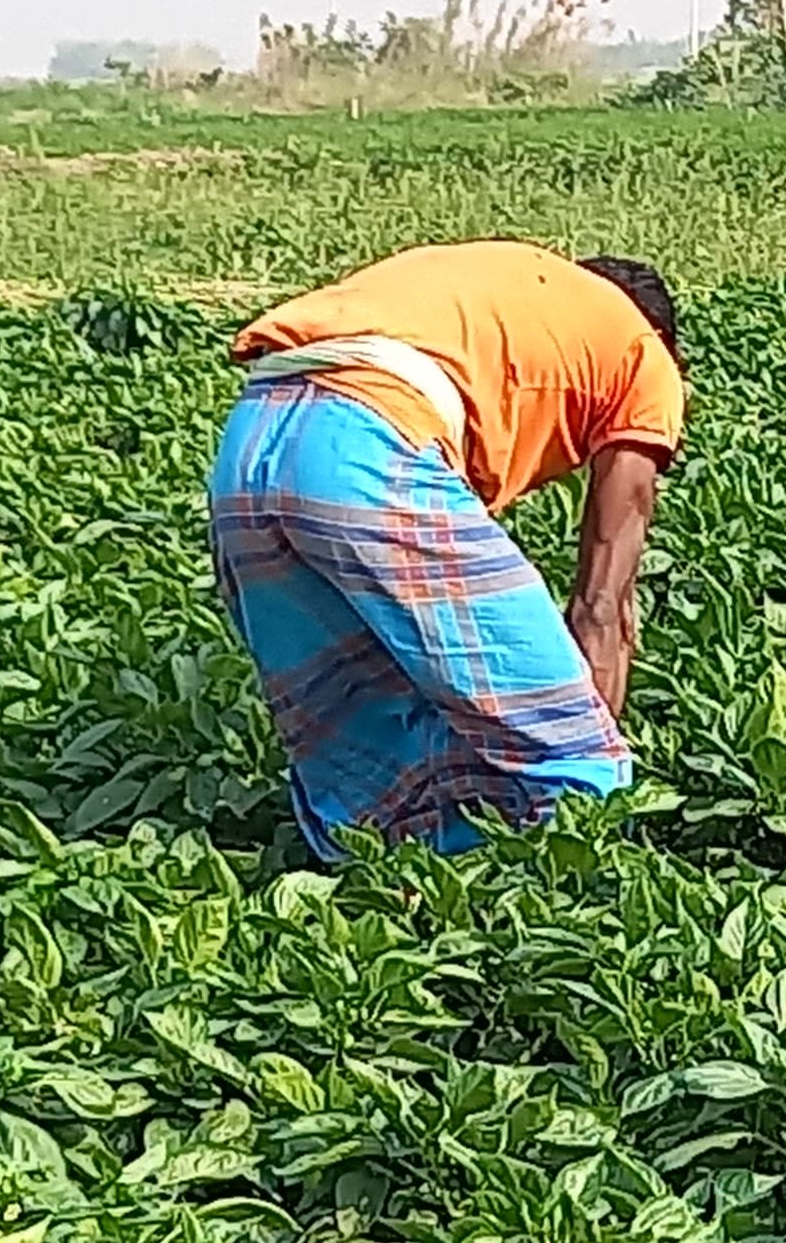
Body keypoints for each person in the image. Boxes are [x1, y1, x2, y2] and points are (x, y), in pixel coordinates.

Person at [210, 240, 684, 859]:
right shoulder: (642, 356)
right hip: (368, 441)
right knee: (568, 755)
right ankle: (558, 898)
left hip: (247, 447)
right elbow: (601, 602)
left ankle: (382, 903)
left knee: (359, 740)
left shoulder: (507, 290)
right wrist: (593, 739)